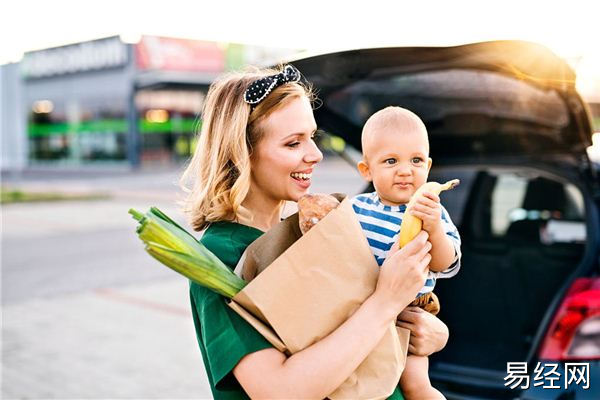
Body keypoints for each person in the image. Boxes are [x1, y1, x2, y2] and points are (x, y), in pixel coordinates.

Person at [179, 65, 449, 399]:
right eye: (293, 144)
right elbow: (278, 391)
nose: (316, 155)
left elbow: (351, 327)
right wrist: (385, 302)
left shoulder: (302, 231)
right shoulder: (222, 256)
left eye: (313, 137)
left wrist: (431, 333)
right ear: (243, 152)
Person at [351, 106, 462, 400]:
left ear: (427, 166)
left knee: (416, 386)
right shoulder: (355, 208)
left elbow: (445, 263)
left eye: (415, 160)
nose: (405, 170)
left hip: (410, 311)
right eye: (391, 161)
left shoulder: (433, 212)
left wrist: (434, 228)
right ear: (366, 170)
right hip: (358, 306)